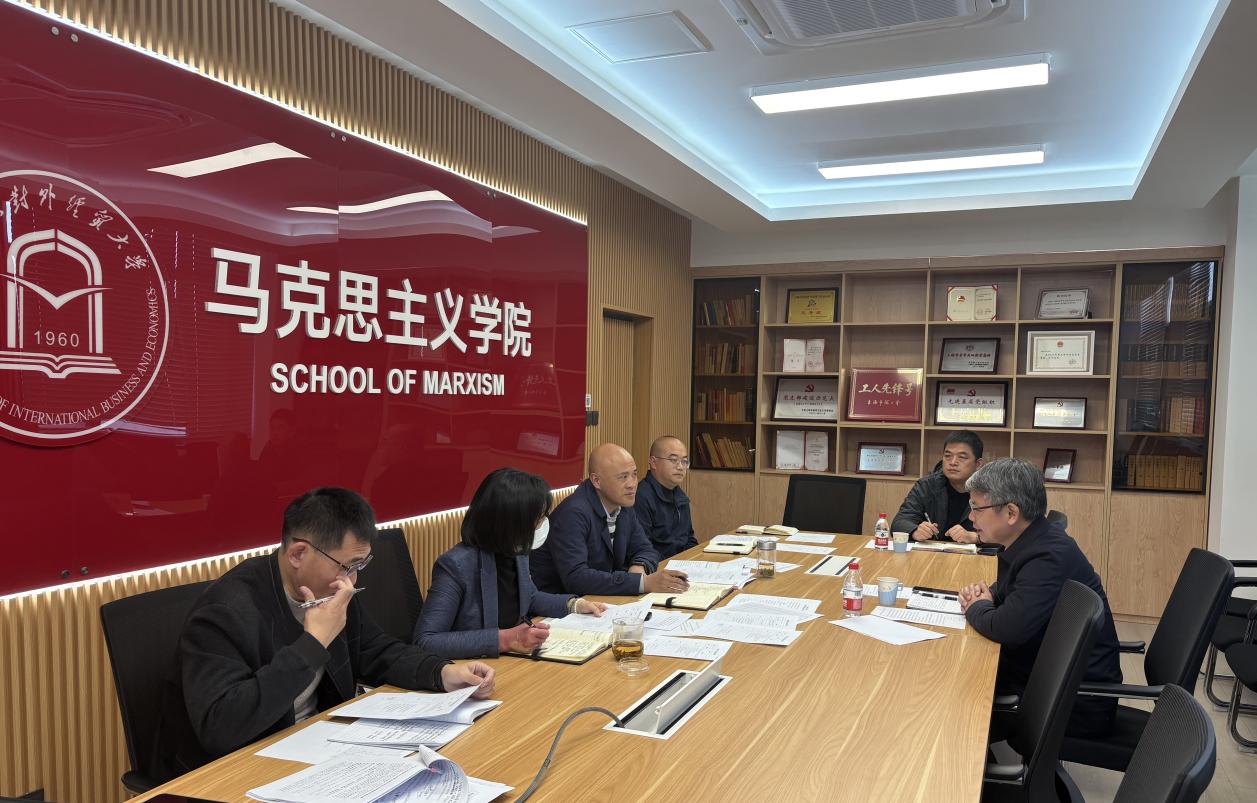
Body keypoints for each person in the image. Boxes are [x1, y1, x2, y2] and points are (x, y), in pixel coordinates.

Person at [149, 487, 495, 782]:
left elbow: (376, 651)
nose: (352, 580)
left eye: (360, 565)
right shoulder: (226, 612)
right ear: (298, 553)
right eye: (347, 566)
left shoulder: (331, 589)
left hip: (316, 749)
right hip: (234, 770)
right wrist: (312, 644)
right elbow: (222, 727)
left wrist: (443, 672)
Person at [957, 458, 1122, 739]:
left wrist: (976, 606)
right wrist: (990, 598)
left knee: (952, 700)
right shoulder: (1035, 540)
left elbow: (1006, 628)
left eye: (976, 508)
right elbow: (1011, 592)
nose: (971, 518)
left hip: (1068, 705)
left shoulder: (1048, 555)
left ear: (1011, 513)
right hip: (1046, 679)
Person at [415, 468, 607, 658]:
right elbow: (426, 641)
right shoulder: (455, 566)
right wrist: (505, 639)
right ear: (510, 523)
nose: (541, 525)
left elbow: (530, 596)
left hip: (513, 662)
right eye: (537, 520)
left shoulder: (516, 552)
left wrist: (574, 605)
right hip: (474, 668)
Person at [530, 443, 690, 596]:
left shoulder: (623, 505)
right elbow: (576, 578)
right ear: (596, 481)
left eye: (634, 474)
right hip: (561, 605)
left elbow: (645, 548)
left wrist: (639, 566)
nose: (632, 484)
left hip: (601, 598)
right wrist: (640, 583)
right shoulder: (573, 513)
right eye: (623, 477)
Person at [891, 430, 985, 543]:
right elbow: (900, 522)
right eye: (948, 456)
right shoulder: (927, 486)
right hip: (931, 552)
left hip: (974, 553)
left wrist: (975, 537)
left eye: (962, 457)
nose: (953, 462)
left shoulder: (990, 491)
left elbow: (1002, 532)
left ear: (978, 464)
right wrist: (915, 530)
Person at [634, 435, 697, 560]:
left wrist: (695, 560)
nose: (680, 467)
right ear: (653, 462)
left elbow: (689, 538)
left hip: (682, 564)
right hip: (656, 566)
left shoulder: (680, 496)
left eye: (684, 461)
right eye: (673, 460)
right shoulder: (640, 496)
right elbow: (642, 548)